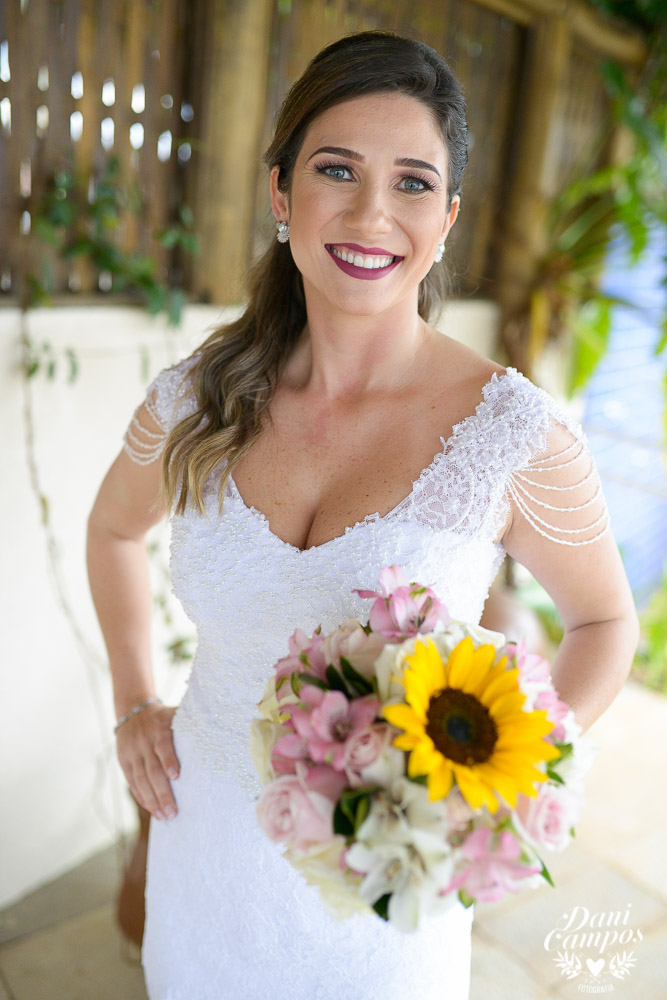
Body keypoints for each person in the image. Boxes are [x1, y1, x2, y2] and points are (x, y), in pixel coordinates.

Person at [86, 30, 639, 1000]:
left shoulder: (510, 431)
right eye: (335, 169)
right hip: (202, 860)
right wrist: (135, 701)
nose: (370, 213)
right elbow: (110, 531)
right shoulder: (196, 397)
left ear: (447, 217)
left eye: (412, 183)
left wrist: (495, 780)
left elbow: (604, 622)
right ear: (280, 193)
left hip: (383, 912)